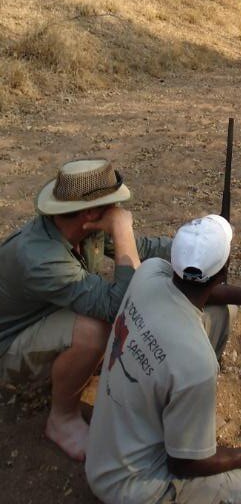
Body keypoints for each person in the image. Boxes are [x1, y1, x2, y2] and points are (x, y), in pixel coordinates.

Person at [86, 215, 241, 504]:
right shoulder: (197, 363)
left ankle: (186, 418)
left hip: (104, 456)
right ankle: (190, 430)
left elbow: (198, 290)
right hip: (133, 486)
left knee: (223, 312)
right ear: (223, 271)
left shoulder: (149, 272)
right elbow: (183, 465)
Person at [0, 158, 172, 461]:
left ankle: (71, 367)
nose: (119, 210)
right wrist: (121, 231)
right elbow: (119, 306)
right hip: (8, 346)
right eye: (114, 204)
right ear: (91, 212)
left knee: (98, 326)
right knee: (96, 331)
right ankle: (61, 420)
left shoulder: (80, 226)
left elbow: (139, 247)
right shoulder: (39, 257)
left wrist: (194, 243)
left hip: (44, 317)